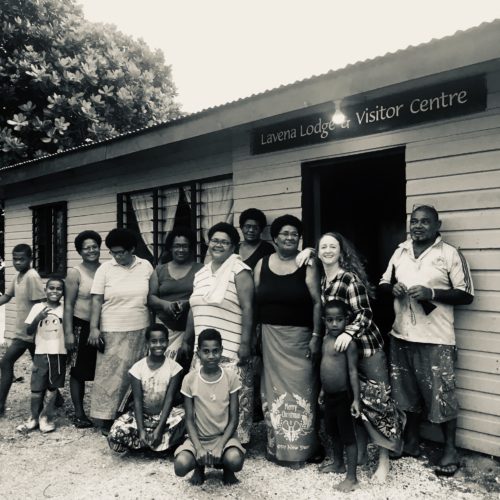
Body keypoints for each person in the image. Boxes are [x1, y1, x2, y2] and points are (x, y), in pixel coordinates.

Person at [298, 232, 404, 482]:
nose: (327, 250)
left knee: (378, 402)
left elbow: (365, 314)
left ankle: (384, 460)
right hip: (343, 355)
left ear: (341, 251)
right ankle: (361, 454)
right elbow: (318, 258)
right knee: (353, 402)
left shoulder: (349, 279)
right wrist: (309, 253)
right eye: (322, 246)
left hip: (367, 349)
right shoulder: (325, 278)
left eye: (332, 246)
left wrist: (349, 331)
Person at [380, 205, 474, 477]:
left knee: (441, 395)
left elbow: (466, 294)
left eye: (425, 221)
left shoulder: (449, 254)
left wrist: (431, 292)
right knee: (405, 393)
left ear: (437, 225)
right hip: (402, 334)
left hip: (436, 338)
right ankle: (411, 442)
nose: (418, 226)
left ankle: (449, 450)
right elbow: (384, 283)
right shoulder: (401, 251)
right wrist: (392, 288)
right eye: (414, 221)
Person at [254, 214, 322, 466]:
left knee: (304, 390)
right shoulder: (262, 263)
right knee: (273, 393)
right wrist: (253, 334)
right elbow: (254, 300)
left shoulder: (308, 263)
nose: (289, 237)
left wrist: (316, 336)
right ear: (275, 237)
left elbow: (317, 302)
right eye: (284, 233)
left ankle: (305, 447)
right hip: (271, 338)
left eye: (294, 234)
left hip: (300, 339)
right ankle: (278, 448)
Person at [181, 222, 254, 445]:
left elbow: (248, 307)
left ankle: (237, 442)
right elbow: (195, 307)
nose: (218, 245)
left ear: (234, 246)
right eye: (215, 240)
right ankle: (208, 439)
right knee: (206, 399)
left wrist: (245, 343)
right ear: (208, 242)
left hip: (231, 347)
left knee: (235, 398)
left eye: (224, 242)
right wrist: (186, 338)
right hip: (202, 350)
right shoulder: (201, 273)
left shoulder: (239, 270)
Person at [88, 228, 154, 433]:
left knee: (134, 373)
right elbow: (97, 299)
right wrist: (93, 328)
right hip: (112, 328)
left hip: (139, 327)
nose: (117, 256)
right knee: (110, 376)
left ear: (132, 249)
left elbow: (152, 298)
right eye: (113, 252)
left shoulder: (146, 266)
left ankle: (128, 415)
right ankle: (106, 419)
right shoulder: (105, 269)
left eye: (121, 252)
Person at [174, 329, 245, 485]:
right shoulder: (190, 379)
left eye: (215, 351)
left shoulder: (231, 377)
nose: (211, 356)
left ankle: (227, 468)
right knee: (180, 466)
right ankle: (199, 467)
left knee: (235, 460)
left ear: (221, 351)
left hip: (224, 438)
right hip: (199, 439)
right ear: (198, 353)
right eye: (206, 351)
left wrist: (220, 446)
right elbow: (190, 421)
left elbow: (234, 419)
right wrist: (198, 448)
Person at [107, 324, 185, 453]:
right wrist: (141, 430)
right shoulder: (137, 369)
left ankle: (154, 440)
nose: (158, 345)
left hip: (165, 417)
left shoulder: (174, 368)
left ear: (167, 342)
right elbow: (137, 401)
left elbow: (169, 399)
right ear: (147, 343)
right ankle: (151, 442)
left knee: (186, 418)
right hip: (142, 416)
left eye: (162, 341)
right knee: (116, 433)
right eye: (154, 341)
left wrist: (160, 428)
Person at [319, 300, 360, 492]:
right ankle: (338, 463)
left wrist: (356, 400)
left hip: (344, 397)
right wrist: (321, 390)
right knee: (333, 432)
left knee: (348, 437)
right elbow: (325, 367)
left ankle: (351, 478)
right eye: (330, 320)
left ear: (347, 320)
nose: (335, 324)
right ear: (324, 321)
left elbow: (352, 372)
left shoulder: (347, 343)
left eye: (339, 320)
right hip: (329, 395)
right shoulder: (325, 340)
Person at [0, 244, 46, 416]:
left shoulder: (32, 276)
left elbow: (42, 303)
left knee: (5, 362)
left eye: (22, 259)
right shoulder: (18, 275)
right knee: (41, 367)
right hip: (22, 331)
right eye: (15, 259)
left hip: (31, 332)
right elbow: (7, 296)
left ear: (30, 259)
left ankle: (0, 405)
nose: (18, 262)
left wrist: (33, 327)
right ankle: (57, 400)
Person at [17, 276, 66, 433]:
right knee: (37, 388)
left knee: (53, 388)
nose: (55, 291)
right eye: (51, 288)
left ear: (63, 292)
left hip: (59, 354)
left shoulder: (65, 309)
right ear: (45, 290)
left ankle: (45, 417)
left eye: (59, 289)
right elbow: (29, 331)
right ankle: (33, 418)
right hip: (41, 352)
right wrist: (38, 319)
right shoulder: (38, 307)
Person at [64, 230, 102, 428]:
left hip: (103, 326)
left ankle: (103, 411)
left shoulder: (106, 269)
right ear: (80, 251)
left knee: (101, 369)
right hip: (80, 325)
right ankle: (79, 413)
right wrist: (68, 333)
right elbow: (68, 305)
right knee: (78, 370)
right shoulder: (75, 273)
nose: (91, 250)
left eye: (94, 246)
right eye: (86, 248)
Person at [148, 227, 202, 361]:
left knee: (185, 365)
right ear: (170, 248)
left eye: (185, 246)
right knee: (161, 365)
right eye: (177, 246)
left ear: (190, 248)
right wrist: (165, 304)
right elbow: (151, 297)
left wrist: (187, 303)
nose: (181, 250)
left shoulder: (201, 269)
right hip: (164, 327)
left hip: (191, 328)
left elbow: (204, 297)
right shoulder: (159, 270)